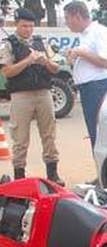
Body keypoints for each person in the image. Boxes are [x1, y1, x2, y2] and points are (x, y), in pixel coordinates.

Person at [0, 8, 64, 185]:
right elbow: (7, 71)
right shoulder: (9, 45)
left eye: (31, 26)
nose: (28, 29)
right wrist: (27, 60)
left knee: (49, 135)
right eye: (24, 26)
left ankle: (53, 174)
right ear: (16, 25)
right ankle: (19, 177)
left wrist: (45, 62)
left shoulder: (41, 42)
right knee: (20, 138)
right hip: (21, 96)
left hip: (44, 93)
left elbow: (56, 68)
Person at [63, 1, 107, 149]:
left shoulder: (99, 32)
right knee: (93, 132)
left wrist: (81, 52)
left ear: (77, 16)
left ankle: (102, 170)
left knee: (98, 132)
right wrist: (75, 56)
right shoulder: (84, 35)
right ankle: (99, 168)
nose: (66, 23)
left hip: (97, 87)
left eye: (67, 19)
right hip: (88, 89)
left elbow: (106, 62)